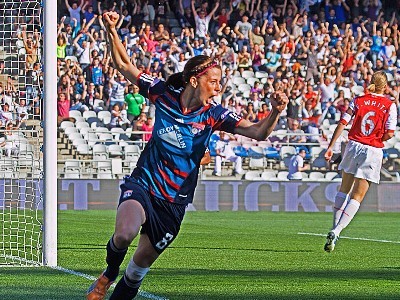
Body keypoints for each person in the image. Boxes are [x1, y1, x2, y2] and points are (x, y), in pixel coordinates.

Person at [86, 11, 288, 300]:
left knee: (137, 270)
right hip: (144, 185)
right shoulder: (162, 93)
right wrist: (111, 29)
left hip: (174, 203)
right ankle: (107, 274)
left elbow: (258, 133)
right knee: (123, 234)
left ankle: (119, 282)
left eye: (221, 82)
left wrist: (276, 111)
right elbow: (123, 64)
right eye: (214, 80)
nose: (219, 87)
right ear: (194, 80)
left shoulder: (214, 115)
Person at [323, 71, 397, 253]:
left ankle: (334, 230)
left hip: (353, 145)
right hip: (372, 150)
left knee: (344, 189)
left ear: (370, 83)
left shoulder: (359, 100)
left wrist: (331, 146)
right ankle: (337, 230)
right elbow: (390, 133)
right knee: (357, 196)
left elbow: (342, 122)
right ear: (385, 86)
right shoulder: (389, 105)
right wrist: (376, 137)